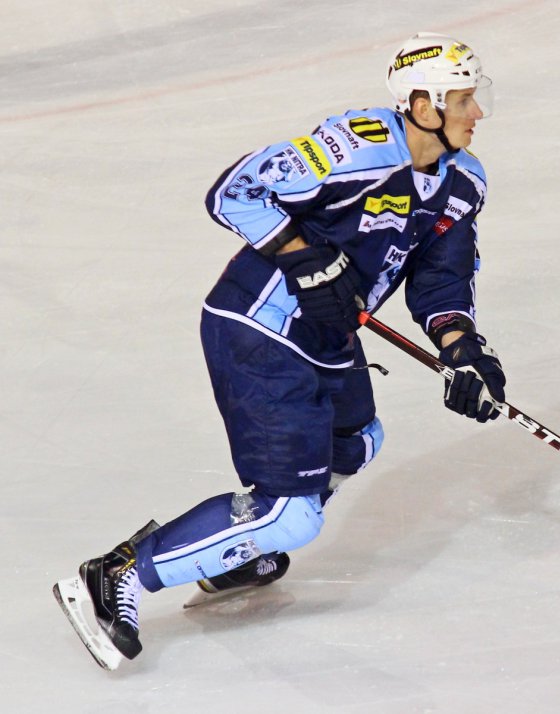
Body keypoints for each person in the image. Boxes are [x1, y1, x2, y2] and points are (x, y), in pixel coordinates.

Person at [53, 32, 506, 669]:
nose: (476, 112)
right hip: (259, 329)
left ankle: (236, 551)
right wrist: (301, 255)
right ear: (422, 105)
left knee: (357, 440)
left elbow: (441, 279)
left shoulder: (463, 182)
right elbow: (234, 191)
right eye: (463, 100)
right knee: (292, 517)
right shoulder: (355, 148)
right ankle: (115, 575)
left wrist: (463, 350)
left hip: (326, 337)